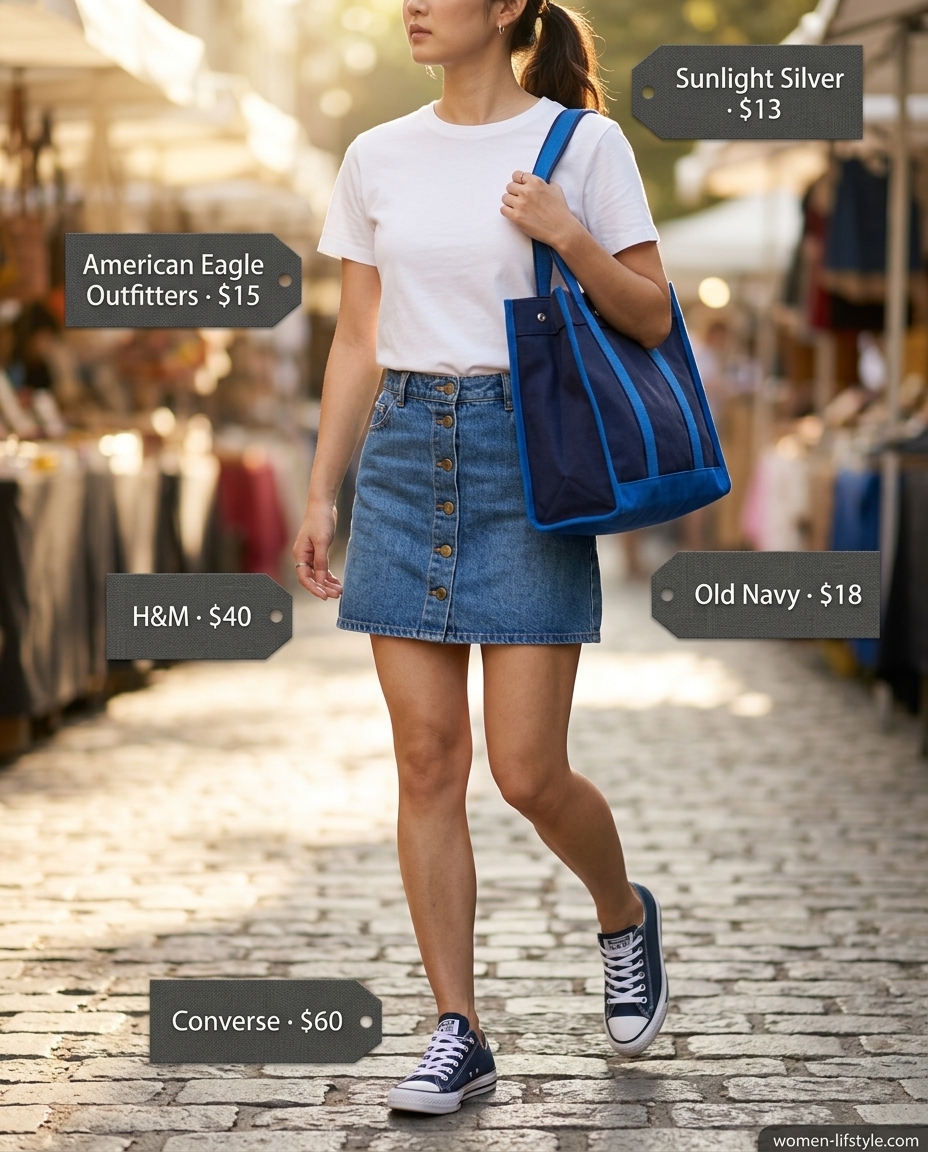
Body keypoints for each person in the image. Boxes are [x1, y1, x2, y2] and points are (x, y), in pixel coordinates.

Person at [292, 0, 671, 1116]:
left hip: (529, 458)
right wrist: (326, 487)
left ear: (507, 4)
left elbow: (650, 315)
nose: (411, 3)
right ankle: (458, 1029)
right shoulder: (375, 156)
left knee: (526, 773)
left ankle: (621, 913)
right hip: (408, 454)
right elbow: (358, 335)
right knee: (424, 759)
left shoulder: (582, 145)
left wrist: (567, 234)